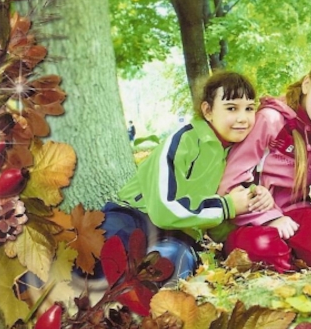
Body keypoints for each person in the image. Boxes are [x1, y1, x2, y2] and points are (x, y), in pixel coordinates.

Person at [99, 71, 272, 280]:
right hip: (136, 215)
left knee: (174, 262)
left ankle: (132, 293)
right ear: (208, 111)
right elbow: (162, 210)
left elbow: (224, 220)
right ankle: (102, 286)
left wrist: (258, 199)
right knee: (108, 245)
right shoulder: (184, 140)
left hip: (181, 234)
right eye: (231, 108)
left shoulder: (240, 153)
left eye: (249, 108)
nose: (243, 118)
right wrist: (226, 206)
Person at [219, 55, 311, 272]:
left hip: (297, 216)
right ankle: (287, 255)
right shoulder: (270, 120)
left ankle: (297, 254)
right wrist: (270, 219)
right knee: (265, 247)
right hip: (254, 218)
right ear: (307, 84)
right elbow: (230, 181)